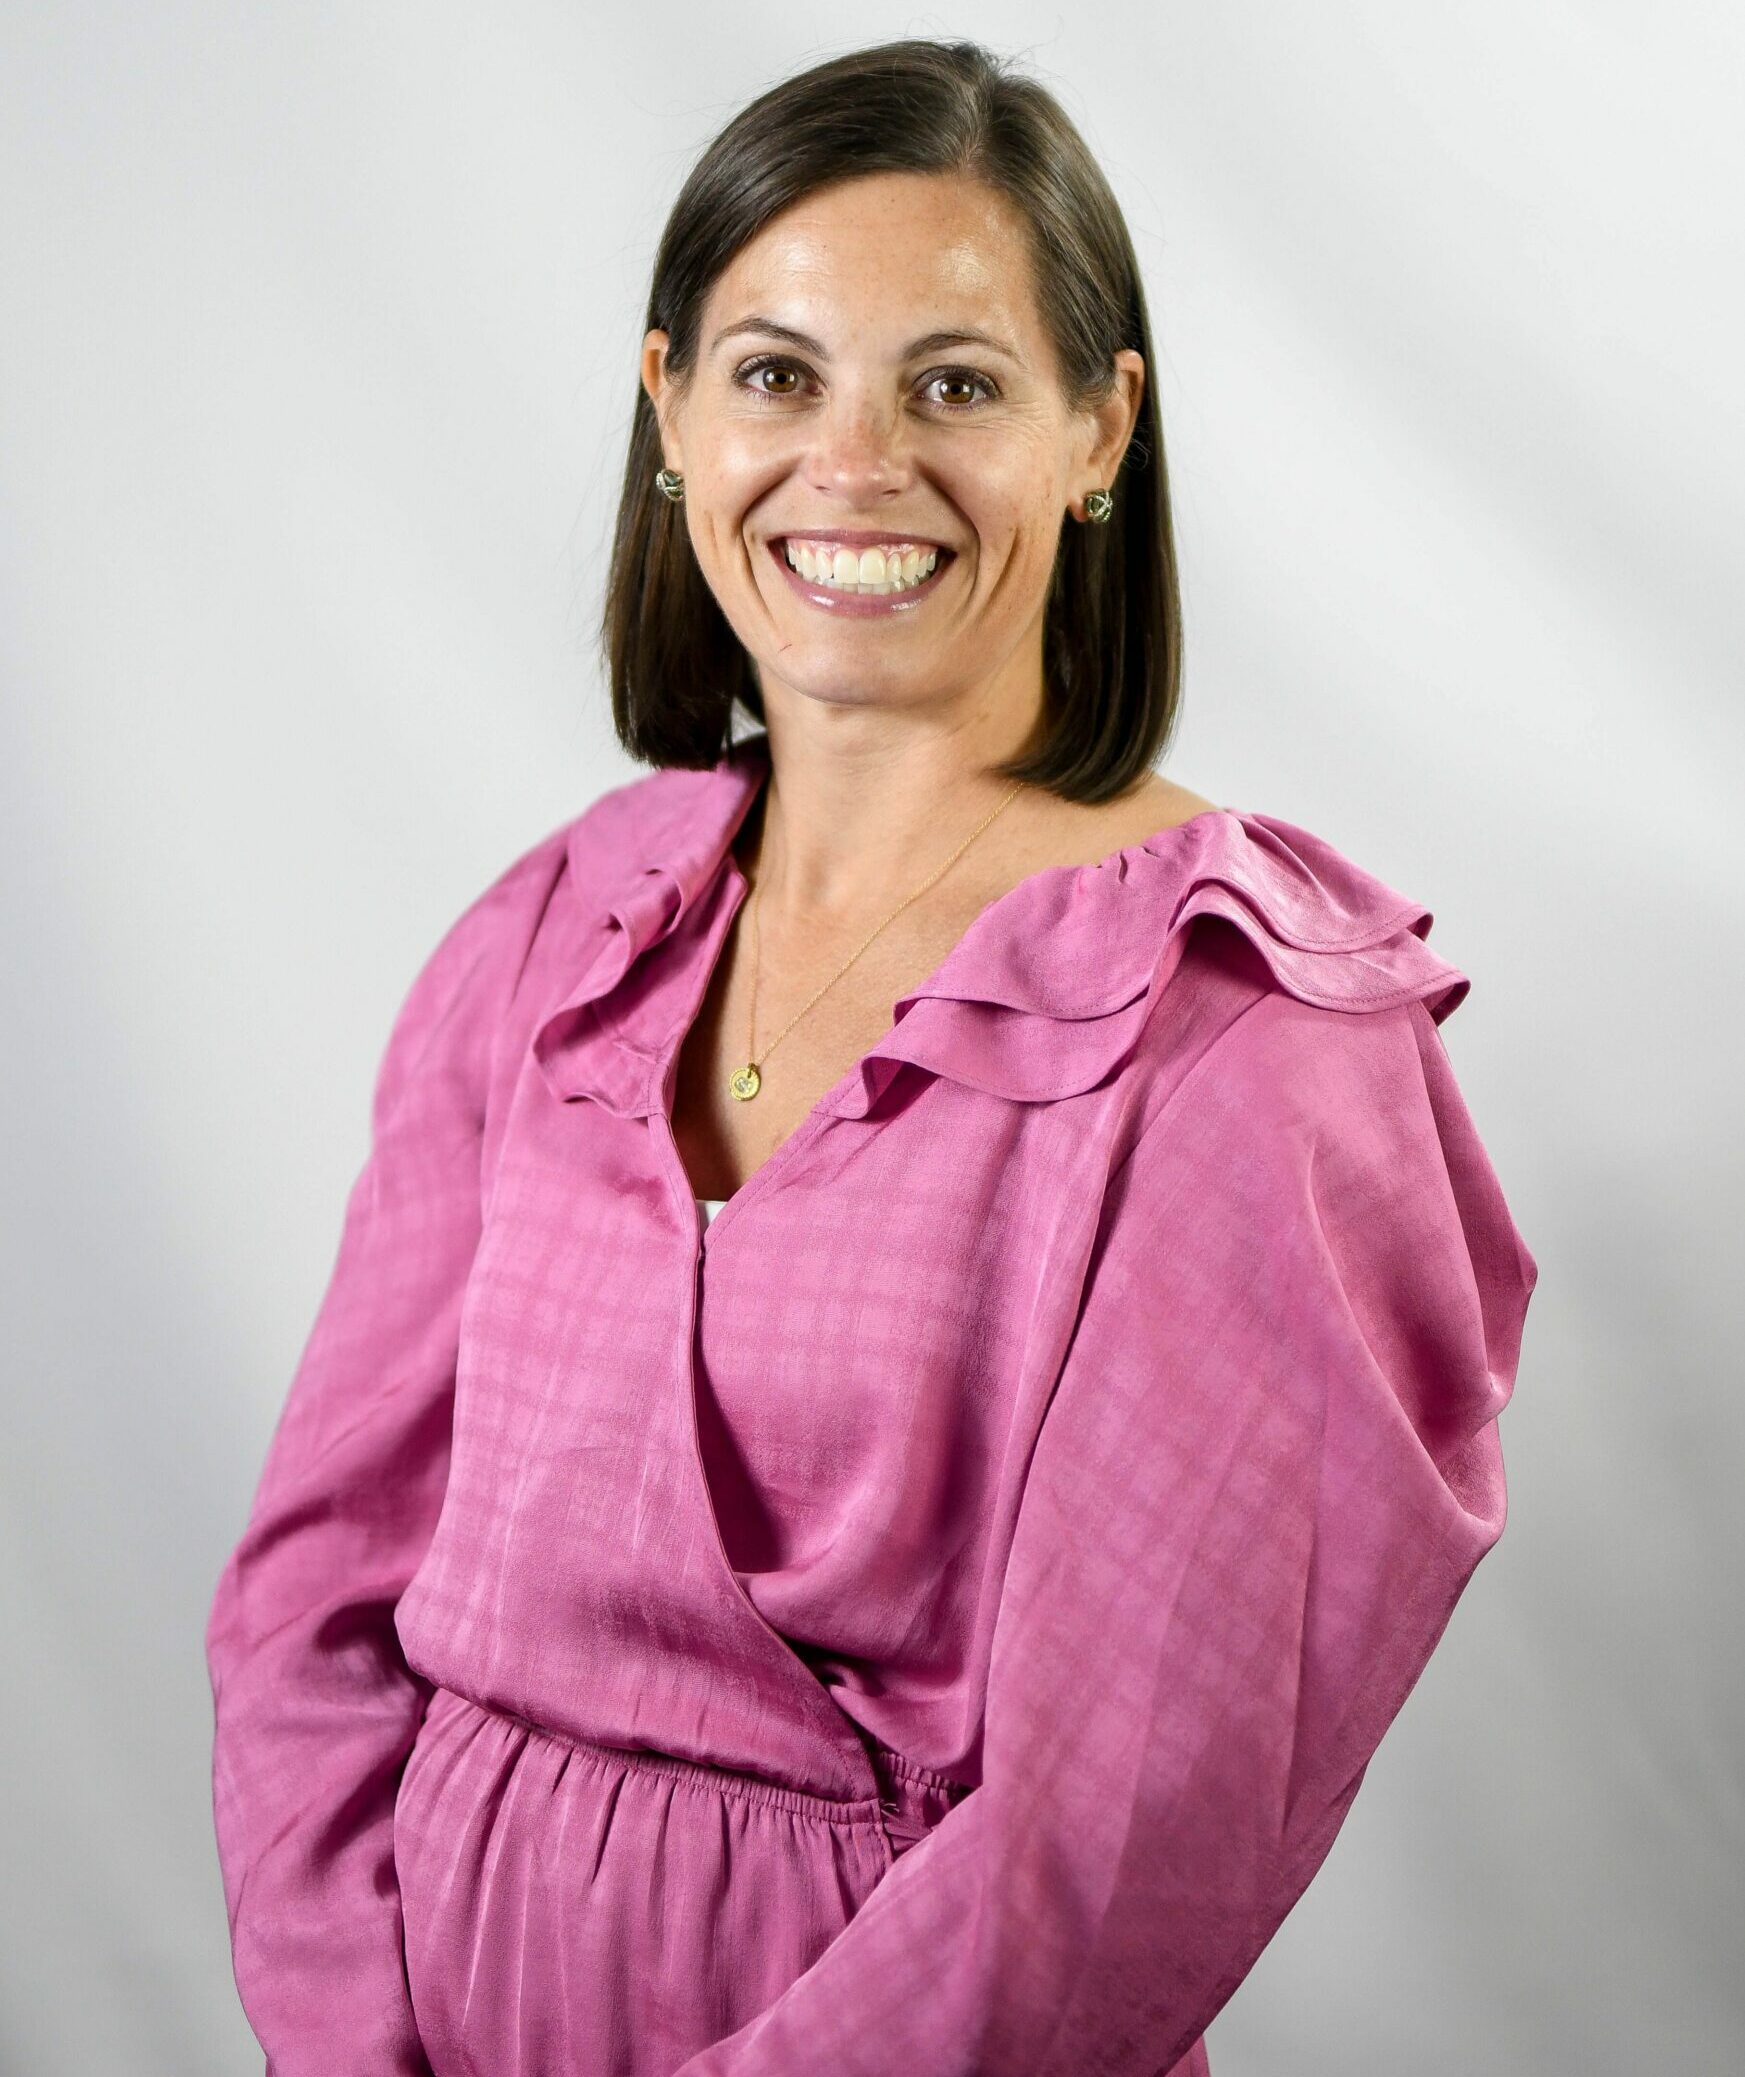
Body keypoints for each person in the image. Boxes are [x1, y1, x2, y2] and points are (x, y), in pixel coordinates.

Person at [203, 37, 1538, 2077]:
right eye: (775, 372)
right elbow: (314, 1595)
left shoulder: (1251, 1041)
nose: (853, 463)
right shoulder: (554, 932)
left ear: (1102, 431)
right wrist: (352, 2047)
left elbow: (1111, 1859)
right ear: (668, 413)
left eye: (957, 381)